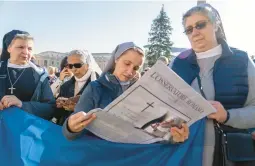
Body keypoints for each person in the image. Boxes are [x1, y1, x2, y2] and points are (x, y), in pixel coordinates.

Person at [170, 4, 255, 166]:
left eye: (200, 25)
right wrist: (173, 130)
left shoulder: (241, 60)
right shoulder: (177, 64)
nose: (195, 32)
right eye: (189, 29)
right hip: (186, 154)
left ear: (216, 24)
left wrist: (227, 116)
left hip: (232, 156)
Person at [62, 42, 189, 143]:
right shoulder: (95, 88)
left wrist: (173, 137)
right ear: (116, 59)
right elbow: (71, 132)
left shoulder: (144, 91)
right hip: (100, 156)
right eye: (127, 63)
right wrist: (71, 127)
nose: (130, 71)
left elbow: (154, 132)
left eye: (135, 68)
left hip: (132, 156)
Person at [0, 30, 55, 120]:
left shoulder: (40, 75)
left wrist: (22, 105)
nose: (26, 52)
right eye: (20, 47)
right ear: (9, 48)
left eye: (30, 48)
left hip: (25, 129)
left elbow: (50, 108)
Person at [54, 49, 101, 125]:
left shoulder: (100, 84)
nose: (74, 69)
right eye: (70, 66)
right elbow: (58, 113)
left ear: (87, 65)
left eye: (78, 65)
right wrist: (60, 104)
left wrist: (78, 107)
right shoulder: (65, 86)